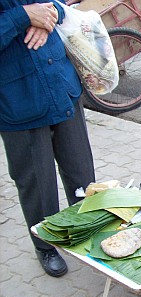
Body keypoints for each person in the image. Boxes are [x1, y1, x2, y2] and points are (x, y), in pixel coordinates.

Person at [0, 0, 95, 277]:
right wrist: (23, 17)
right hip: (18, 100)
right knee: (36, 182)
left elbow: (63, 4)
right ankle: (46, 245)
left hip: (61, 86)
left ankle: (86, 230)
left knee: (81, 172)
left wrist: (51, 13)